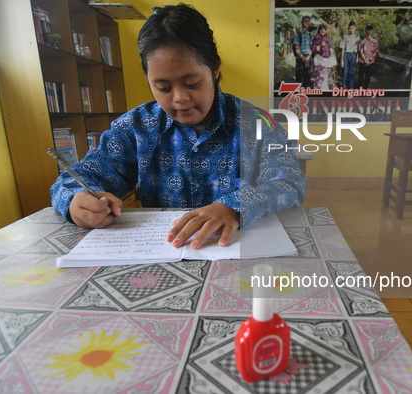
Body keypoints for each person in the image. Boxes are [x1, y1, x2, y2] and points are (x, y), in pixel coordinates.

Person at [51, 4, 306, 250]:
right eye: (163, 88)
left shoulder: (258, 123)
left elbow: (290, 182)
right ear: (149, 80)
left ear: (214, 69)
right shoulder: (136, 127)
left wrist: (234, 207)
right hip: (165, 253)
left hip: (239, 253)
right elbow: (79, 177)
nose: (179, 98)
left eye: (192, 83)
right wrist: (76, 202)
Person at [311, 23, 335, 91]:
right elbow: (313, 49)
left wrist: (331, 50)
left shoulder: (327, 39)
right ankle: (317, 90)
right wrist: (320, 46)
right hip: (318, 60)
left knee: (324, 75)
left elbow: (330, 47)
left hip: (325, 60)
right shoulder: (316, 38)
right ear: (319, 30)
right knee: (318, 75)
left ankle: (324, 90)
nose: (323, 31)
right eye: (321, 29)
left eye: (324, 30)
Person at [292, 15, 313, 88]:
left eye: (308, 21)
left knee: (307, 78)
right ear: (302, 23)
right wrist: (304, 60)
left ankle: (306, 95)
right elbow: (297, 50)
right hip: (300, 59)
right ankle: (297, 96)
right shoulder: (298, 35)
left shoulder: (310, 35)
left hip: (308, 58)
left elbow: (311, 48)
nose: (307, 23)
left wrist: (308, 58)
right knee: (299, 78)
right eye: (305, 21)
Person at [339, 21, 360, 89]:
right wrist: (342, 60)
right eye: (350, 28)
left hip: (353, 55)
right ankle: (344, 87)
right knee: (345, 72)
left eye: (353, 28)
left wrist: (357, 58)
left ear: (355, 28)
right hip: (346, 55)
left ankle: (351, 87)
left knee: (352, 72)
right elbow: (342, 48)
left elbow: (358, 49)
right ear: (348, 28)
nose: (351, 30)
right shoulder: (345, 37)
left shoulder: (357, 37)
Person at [357, 24, 379, 88]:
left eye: (370, 29)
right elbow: (360, 51)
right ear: (365, 30)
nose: (369, 31)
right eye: (367, 29)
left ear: (372, 31)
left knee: (367, 77)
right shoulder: (362, 41)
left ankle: (365, 90)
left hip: (370, 62)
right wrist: (365, 60)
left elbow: (376, 52)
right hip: (362, 61)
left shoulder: (374, 41)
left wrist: (369, 60)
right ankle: (359, 90)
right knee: (360, 77)